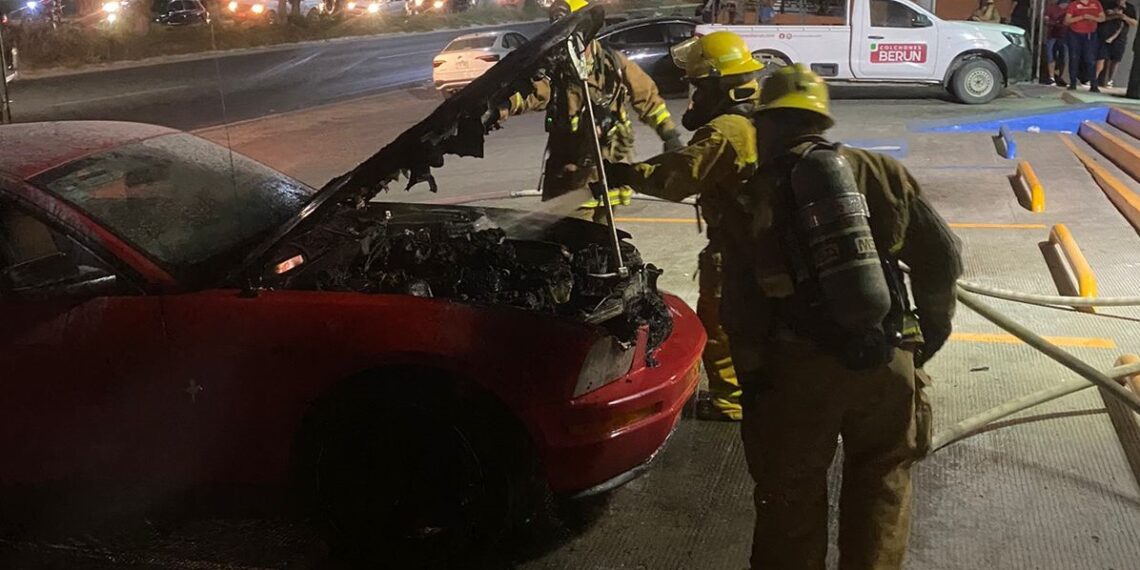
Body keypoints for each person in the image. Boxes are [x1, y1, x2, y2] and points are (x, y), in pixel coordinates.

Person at [602, 30, 765, 420]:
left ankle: (731, 401)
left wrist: (623, 173)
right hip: (761, 245)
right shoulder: (757, 118)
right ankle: (755, 390)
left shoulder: (726, 131)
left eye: (699, 86)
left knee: (721, 324)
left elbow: (676, 179)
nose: (694, 97)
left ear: (721, 86)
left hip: (739, 249)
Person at [497, 0, 683, 222]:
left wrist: (670, 135)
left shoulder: (613, 64)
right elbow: (533, 92)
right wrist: (505, 106)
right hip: (570, 174)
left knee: (605, 242)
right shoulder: (555, 69)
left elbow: (648, 99)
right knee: (575, 241)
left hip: (610, 173)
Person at [1066, 0, 1107, 91]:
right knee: (1074, 58)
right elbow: (1067, 20)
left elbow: (1102, 18)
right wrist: (1081, 17)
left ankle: (1093, 84)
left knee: (1090, 59)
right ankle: (1073, 83)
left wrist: (1091, 17)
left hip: (1090, 34)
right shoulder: (1074, 4)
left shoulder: (1096, 3)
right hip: (1075, 34)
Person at [1096, 0, 1137, 87]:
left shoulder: (1130, 8)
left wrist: (1124, 17)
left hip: (1120, 37)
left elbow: (1135, 23)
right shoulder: (1107, 3)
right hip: (1106, 35)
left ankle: (1110, 81)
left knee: (1116, 59)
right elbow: (1101, 18)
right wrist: (1114, 14)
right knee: (1101, 57)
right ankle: (1094, 79)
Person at [1045, 0, 1071, 86]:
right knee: (1051, 56)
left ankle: (1060, 77)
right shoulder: (1051, 8)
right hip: (1053, 35)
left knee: (1063, 57)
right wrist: (1055, 23)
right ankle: (1051, 77)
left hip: (1065, 36)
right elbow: (1046, 20)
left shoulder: (1070, 7)